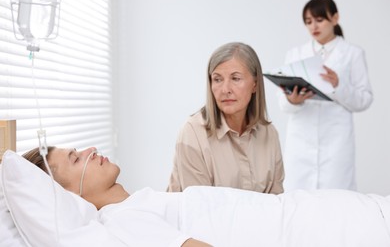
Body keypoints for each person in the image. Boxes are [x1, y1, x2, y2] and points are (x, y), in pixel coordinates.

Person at [22, 146, 390, 247]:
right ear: (66, 195)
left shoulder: (136, 205)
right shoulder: (122, 221)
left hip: (325, 216)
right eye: (76, 159)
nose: (89, 150)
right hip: (329, 232)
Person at [279, 0, 373, 191]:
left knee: (336, 201)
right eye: (308, 22)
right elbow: (283, 103)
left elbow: (364, 99)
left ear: (335, 18)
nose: (314, 26)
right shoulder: (295, 54)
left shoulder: (353, 53)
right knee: (297, 199)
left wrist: (339, 85)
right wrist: (292, 100)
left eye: (319, 20)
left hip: (336, 140)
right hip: (300, 139)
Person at [167, 42, 284, 194]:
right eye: (217, 79)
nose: (225, 89)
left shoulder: (269, 133)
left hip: (256, 218)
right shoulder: (193, 132)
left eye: (235, 78)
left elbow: (276, 203)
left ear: (255, 84)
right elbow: (199, 208)